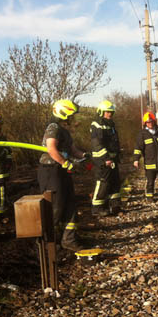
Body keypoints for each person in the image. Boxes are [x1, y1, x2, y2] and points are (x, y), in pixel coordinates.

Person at [37, 100, 89, 251]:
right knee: (56, 208)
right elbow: (51, 149)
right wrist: (64, 162)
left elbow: (73, 150)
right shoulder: (53, 128)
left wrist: (85, 155)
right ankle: (46, 243)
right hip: (50, 171)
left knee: (70, 205)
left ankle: (69, 240)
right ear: (63, 113)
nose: (72, 118)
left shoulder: (64, 131)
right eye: (71, 115)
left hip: (62, 170)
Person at [90, 100, 121, 216]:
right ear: (101, 112)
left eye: (111, 112)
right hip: (102, 160)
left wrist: (117, 155)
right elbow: (97, 144)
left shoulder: (111, 124)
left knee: (115, 182)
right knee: (103, 183)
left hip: (113, 159)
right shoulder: (97, 124)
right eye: (108, 112)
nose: (110, 114)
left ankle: (115, 206)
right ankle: (97, 209)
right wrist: (106, 158)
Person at [133, 112, 158, 199]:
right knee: (150, 182)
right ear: (145, 123)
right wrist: (136, 159)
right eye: (148, 122)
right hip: (150, 163)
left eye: (151, 122)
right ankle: (149, 197)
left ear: (154, 121)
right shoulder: (142, 134)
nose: (150, 124)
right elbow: (138, 148)